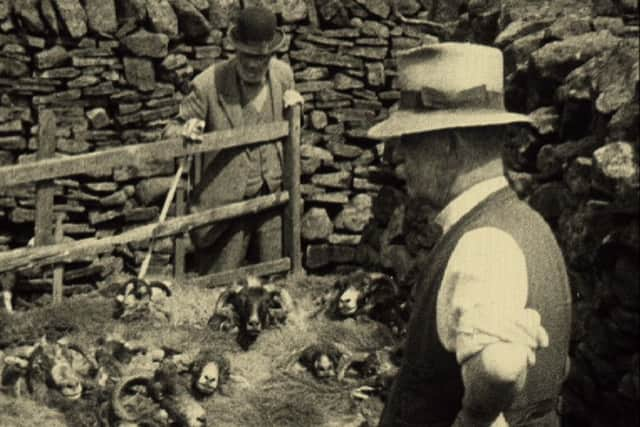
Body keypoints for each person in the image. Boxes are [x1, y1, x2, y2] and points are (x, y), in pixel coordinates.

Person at [368, 43, 572, 427]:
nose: (398, 158)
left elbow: (501, 368)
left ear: (450, 145)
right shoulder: (526, 223)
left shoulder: (484, 244)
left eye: (409, 142)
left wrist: (473, 419)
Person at [164, 6, 302, 274]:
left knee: (274, 283)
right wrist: (185, 130)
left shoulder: (283, 77)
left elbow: (293, 131)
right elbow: (171, 130)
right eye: (246, 55)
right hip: (225, 208)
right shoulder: (207, 85)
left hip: (274, 199)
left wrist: (297, 111)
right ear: (235, 49)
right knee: (220, 285)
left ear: (272, 54)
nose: (253, 64)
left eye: (261, 58)